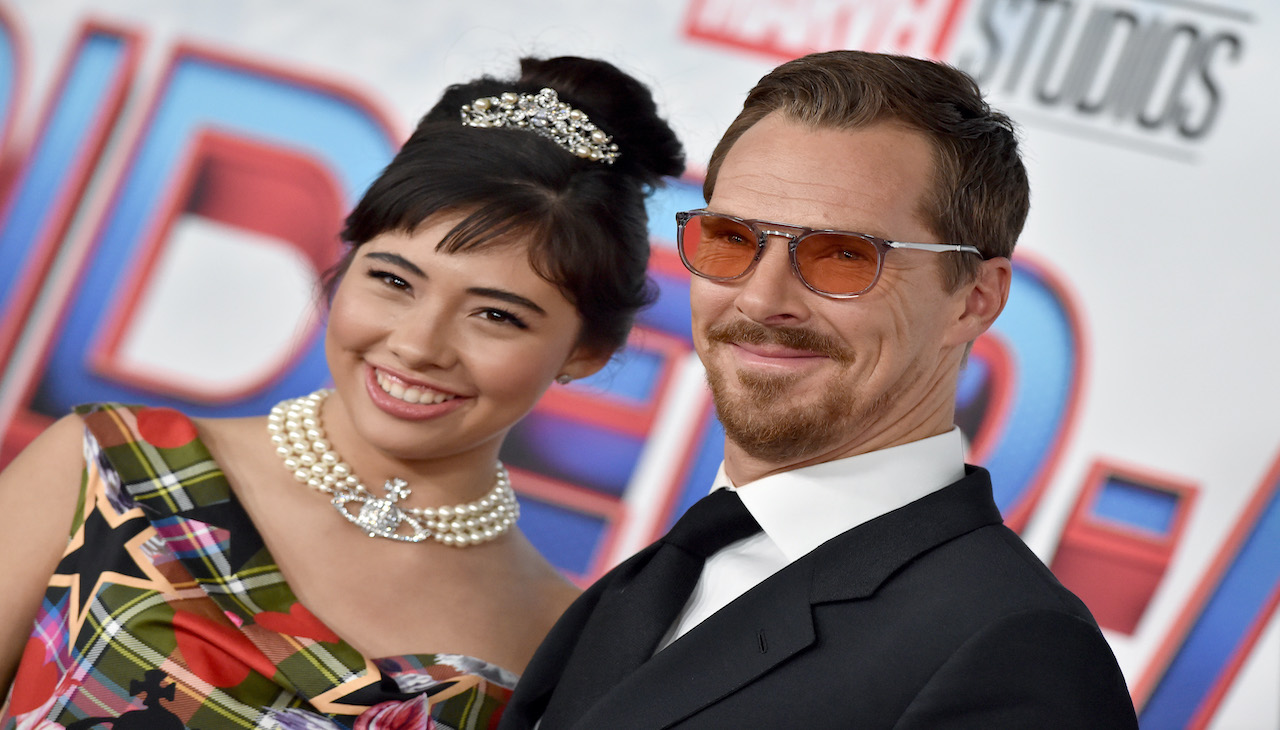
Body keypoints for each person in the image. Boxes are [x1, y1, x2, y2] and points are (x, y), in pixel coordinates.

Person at [0, 56, 683, 729]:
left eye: (496, 316)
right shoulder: (109, 467)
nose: (419, 345)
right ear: (346, 262)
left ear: (587, 352)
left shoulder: (558, 644)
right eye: (393, 280)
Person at [502, 50, 1139, 729]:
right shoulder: (661, 572)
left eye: (843, 255)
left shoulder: (1016, 650)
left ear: (975, 300)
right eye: (731, 238)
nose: (762, 297)